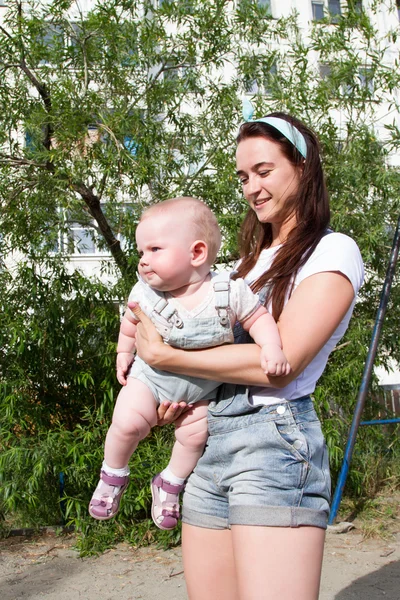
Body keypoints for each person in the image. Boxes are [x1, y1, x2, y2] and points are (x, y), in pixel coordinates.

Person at [129, 110, 364, 599]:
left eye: (264, 170)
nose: (251, 187)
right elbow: (191, 347)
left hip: (274, 444)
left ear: (302, 167)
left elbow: (280, 365)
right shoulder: (240, 266)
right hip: (210, 443)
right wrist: (174, 398)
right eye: (242, 176)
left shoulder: (332, 252)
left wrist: (169, 358)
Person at [89, 196, 290, 528]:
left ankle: (169, 484)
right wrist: (124, 353)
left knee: (194, 438)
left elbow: (258, 318)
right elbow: (130, 323)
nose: (143, 261)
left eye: (155, 250)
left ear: (196, 253)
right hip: (151, 379)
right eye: (141, 252)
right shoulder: (145, 294)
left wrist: (271, 348)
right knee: (126, 423)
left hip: (201, 392)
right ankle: (113, 474)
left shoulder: (229, 292)